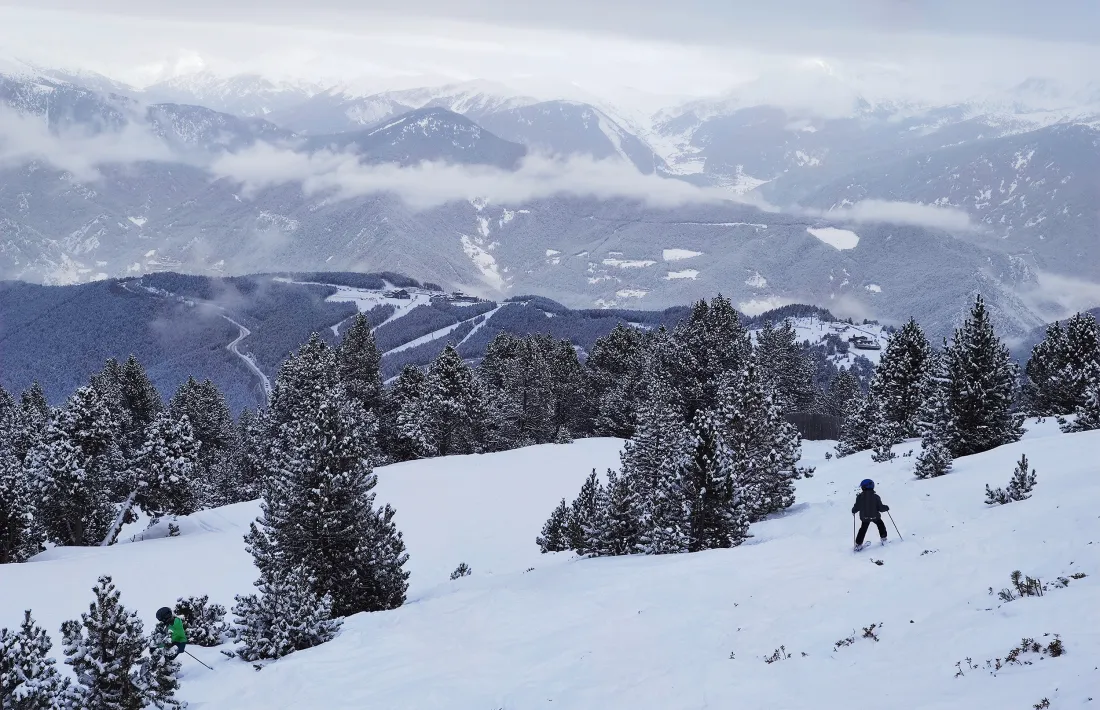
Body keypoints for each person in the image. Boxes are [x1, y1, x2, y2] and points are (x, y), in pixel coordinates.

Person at [852, 479, 889, 550]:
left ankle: (858, 544)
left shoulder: (860, 497)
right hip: (875, 516)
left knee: (863, 529)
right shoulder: (876, 497)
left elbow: (857, 507)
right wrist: (886, 508)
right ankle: (884, 538)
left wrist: (854, 510)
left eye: (862, 487)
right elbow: (880, 508)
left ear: (865, 487)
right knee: (880, 525)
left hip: (864, 517)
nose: (861, 488)